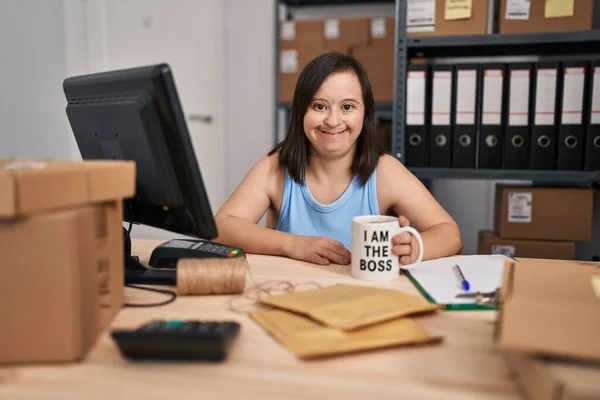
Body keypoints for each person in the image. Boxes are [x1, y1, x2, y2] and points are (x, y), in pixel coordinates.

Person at [215, 52, 462, 266]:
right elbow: (221, 228)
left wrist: (414, 247)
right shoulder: (275, 167)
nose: (333, 121)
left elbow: (450, 234)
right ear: (301, 111)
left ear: (365, 113)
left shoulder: (386, 171)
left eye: (347, 107)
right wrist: (292, 244)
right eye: (319, 106)